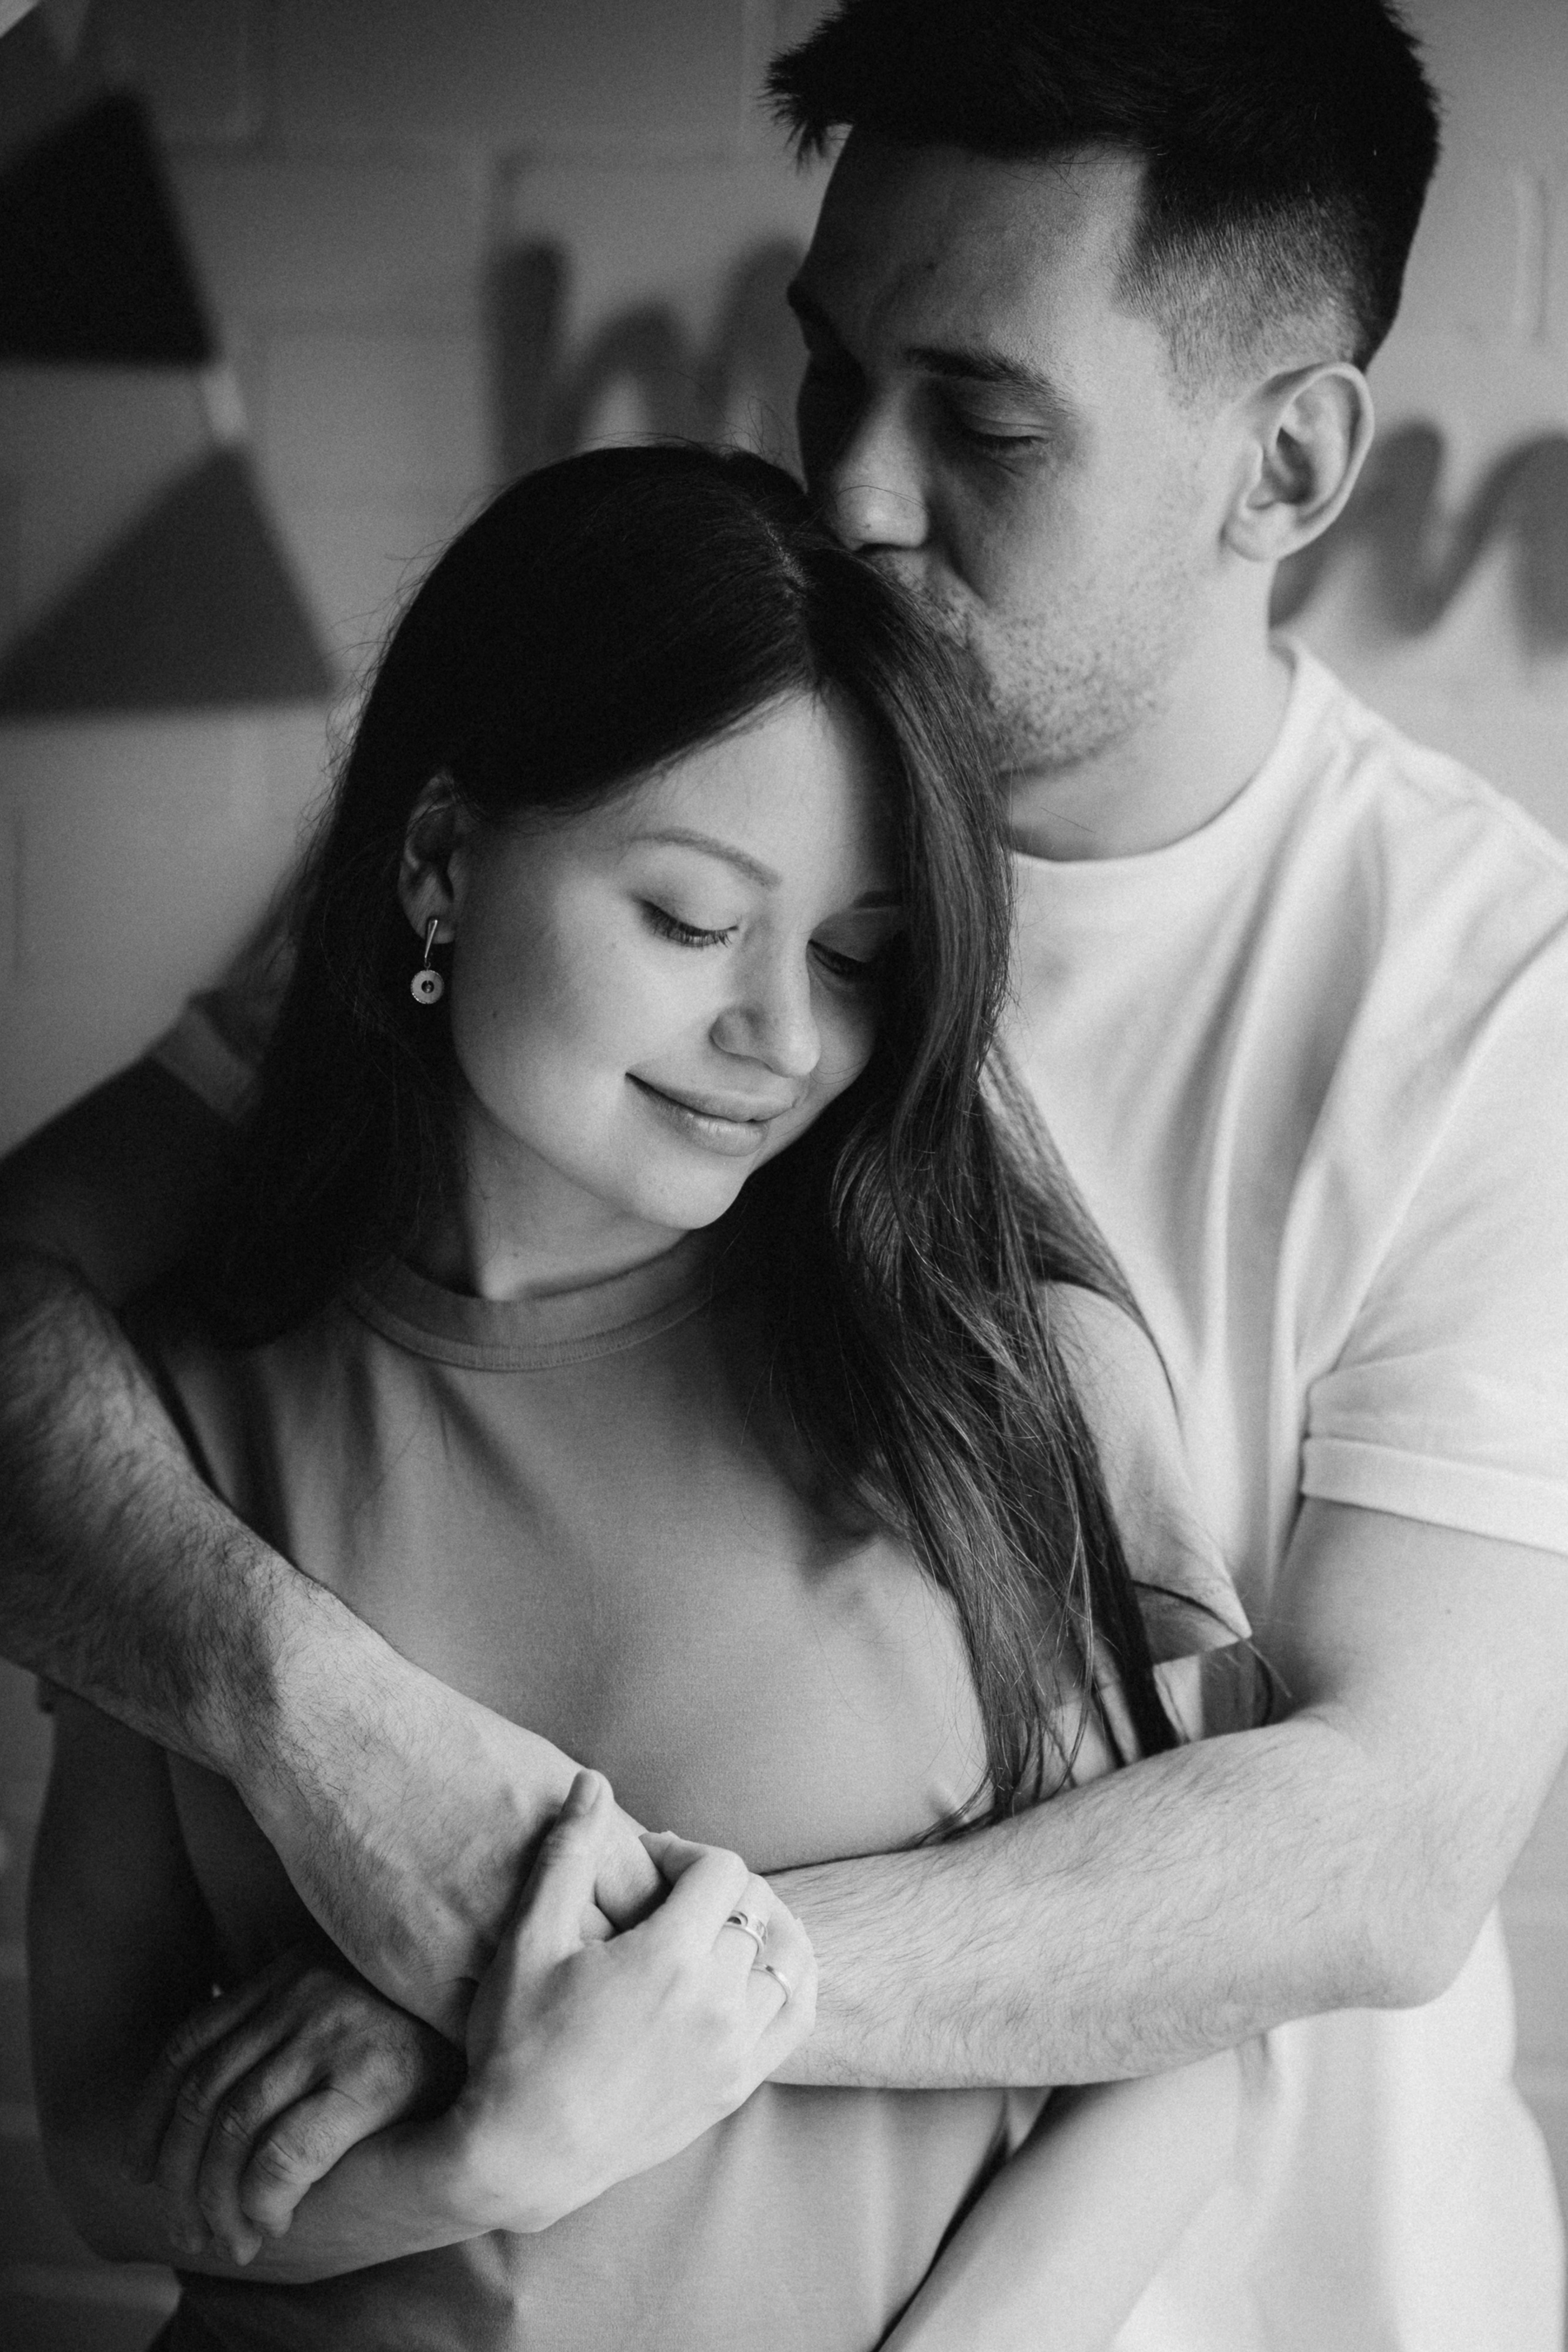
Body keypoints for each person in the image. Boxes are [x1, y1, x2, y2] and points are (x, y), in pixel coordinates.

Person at [3, 0, 1567, 2342]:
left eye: (987, 417)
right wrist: (318, 1734)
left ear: (1292, 463)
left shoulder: (1492, 995)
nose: (847, 486)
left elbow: (1374, 1851)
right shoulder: (576, 845)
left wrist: (564, 1989)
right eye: (834, 367)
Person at [29, 443, 1248, 2351]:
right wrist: (485, 2158)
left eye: (858, 959)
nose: (782, 1039)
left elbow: (1192, 2034)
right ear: (438, 857)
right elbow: (110, 2159)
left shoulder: (1004, 1378)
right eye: (692, 923)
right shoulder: (168, 1417)